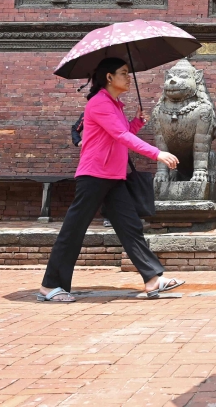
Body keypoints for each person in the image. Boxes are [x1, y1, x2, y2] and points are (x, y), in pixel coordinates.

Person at [38, 57, 184, 303]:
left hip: (114, 176)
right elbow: (120, 134)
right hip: (94, 175)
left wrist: (136, 122)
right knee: (74, 231)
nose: (128, 77)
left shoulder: (114, 104)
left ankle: (152, 279)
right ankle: (50, 286)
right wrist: (157, 153)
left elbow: (119, 134)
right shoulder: (99, 103)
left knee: (130, 227)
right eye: (124, 73)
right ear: (109, 77)